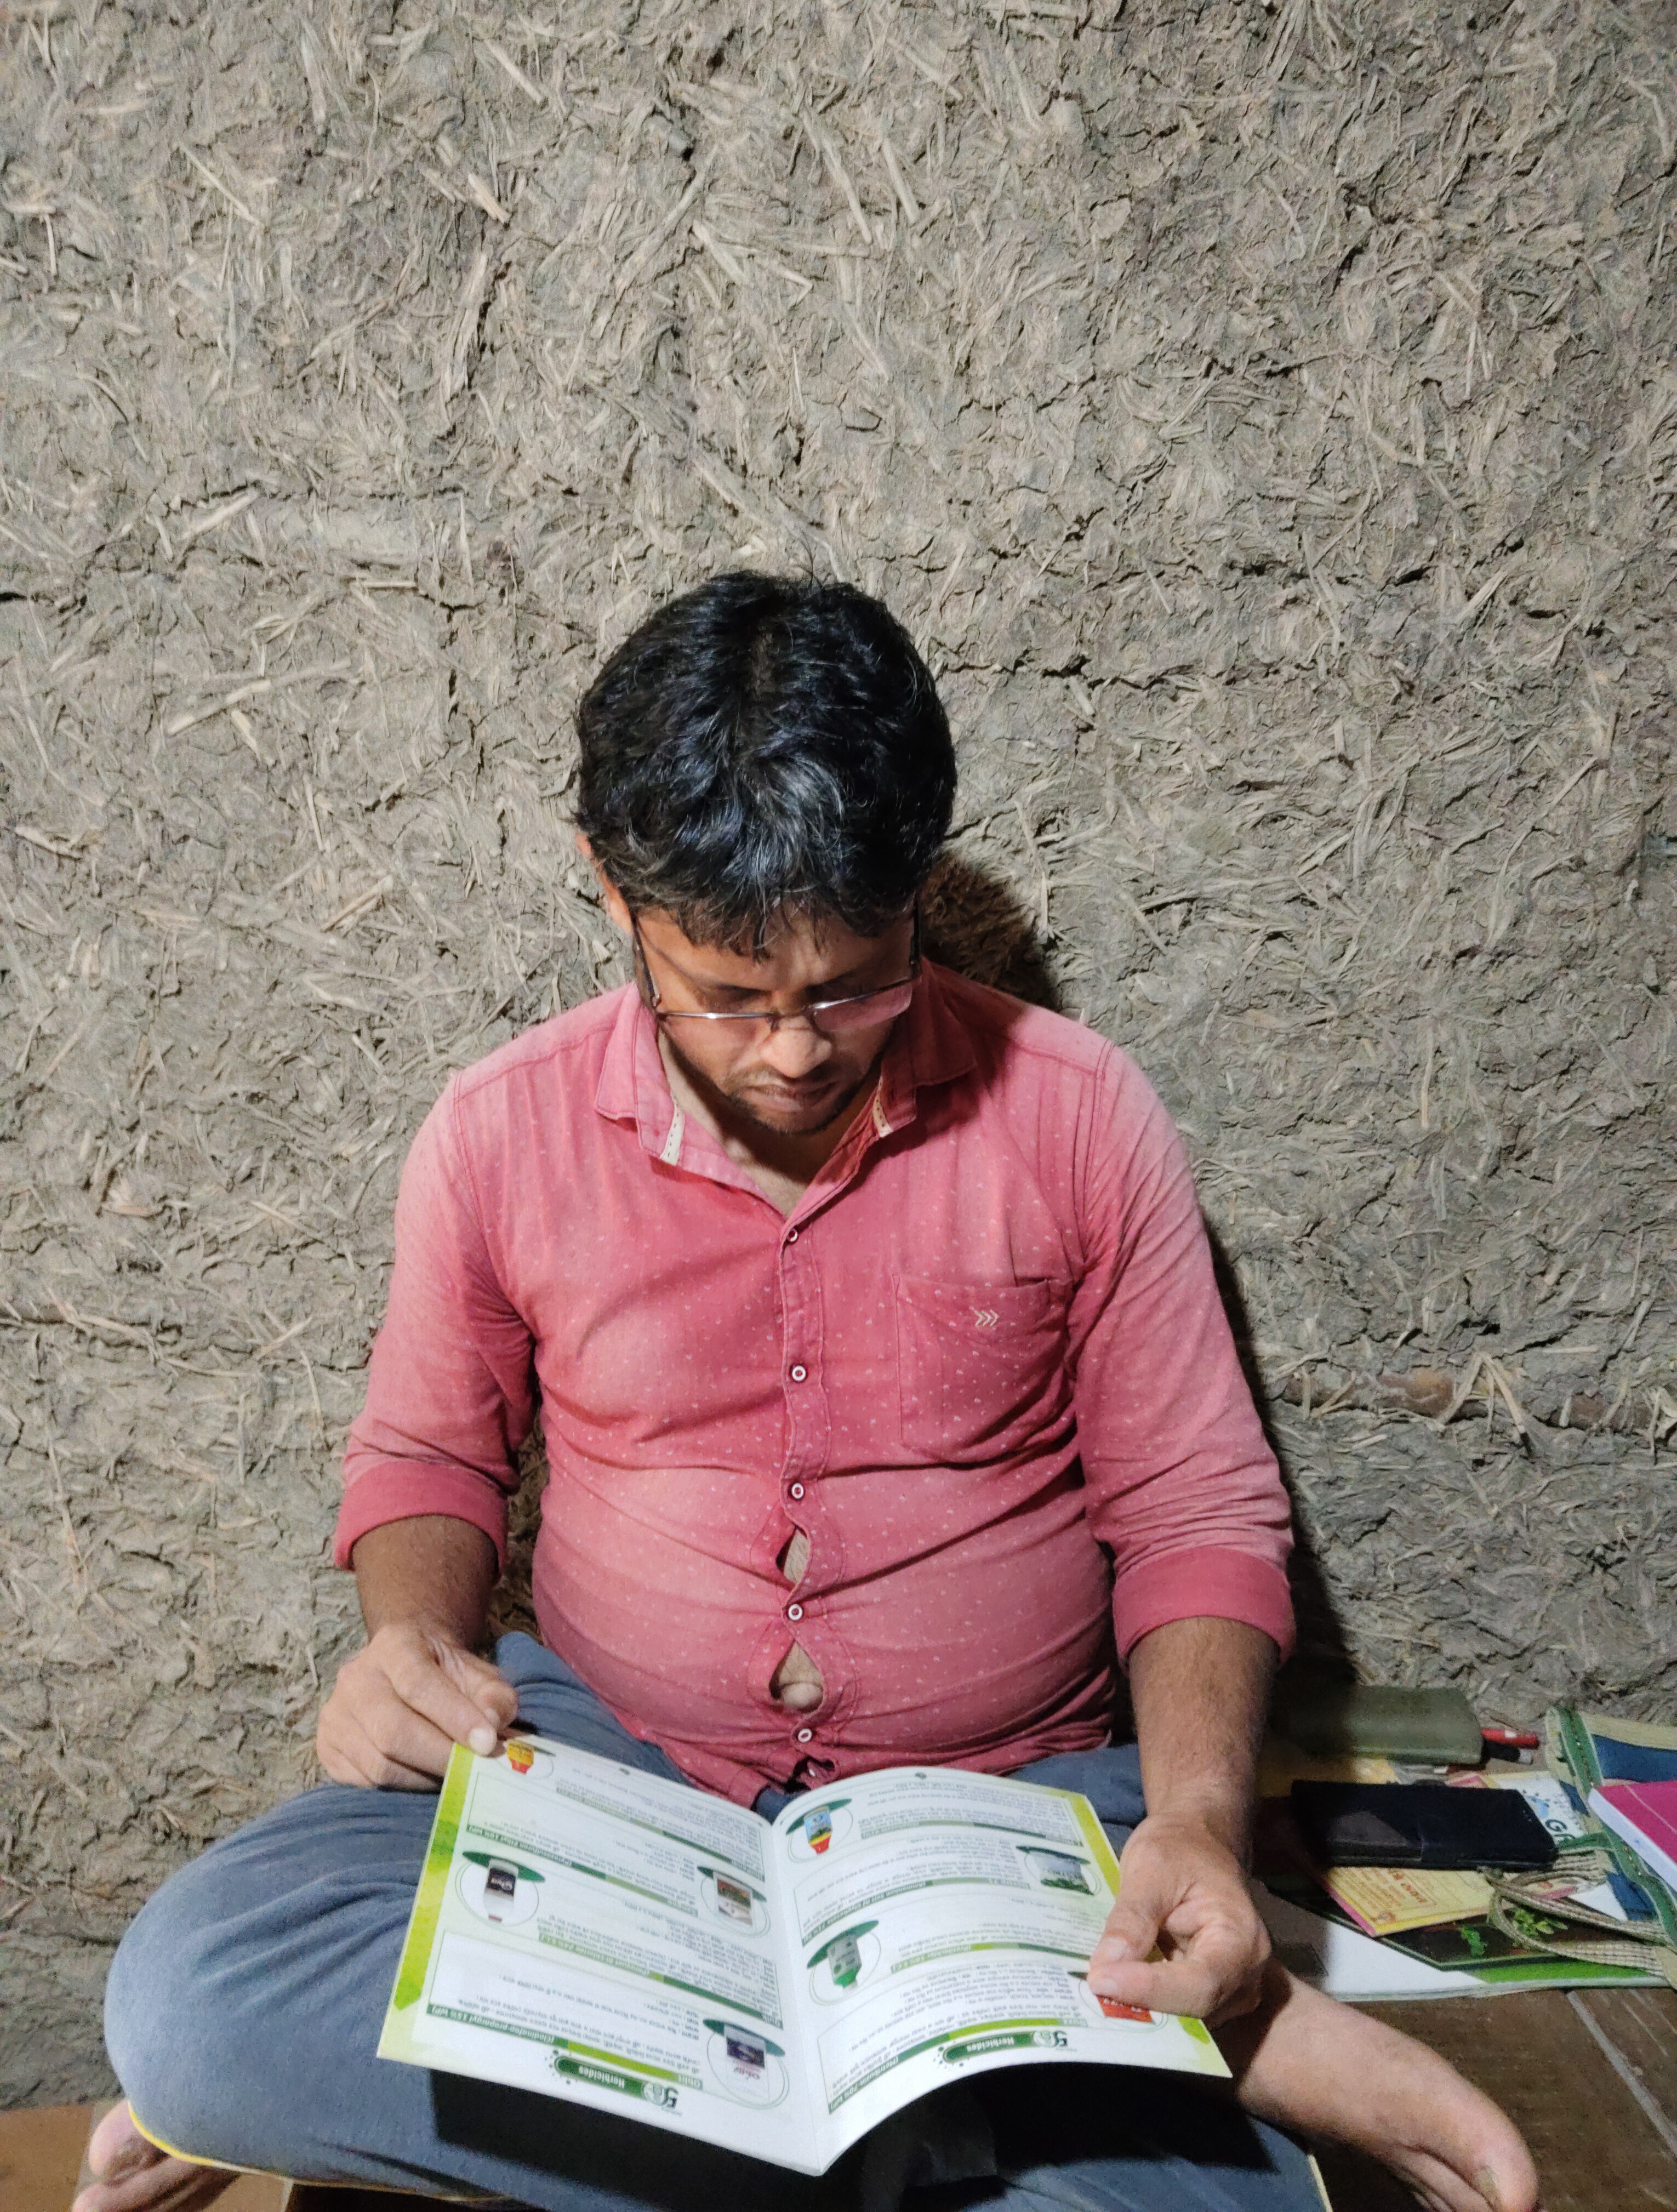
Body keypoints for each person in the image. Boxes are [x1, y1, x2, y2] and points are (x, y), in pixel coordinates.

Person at [81, 577, 1539, 2212]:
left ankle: (680, 2075)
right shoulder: (498, 1131)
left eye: (851, 984)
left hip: (1003, 1817)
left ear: (915, 892)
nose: (792, 1052)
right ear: (614, 890)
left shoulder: (1080, 1117)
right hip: (600, 1782)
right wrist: (409, 1647)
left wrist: (1195, 1823)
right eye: (727, 995)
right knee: (195, 2005)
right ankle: (1039, 2087)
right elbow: (429, 1453)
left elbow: (1194, 1513)